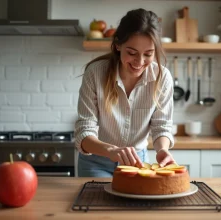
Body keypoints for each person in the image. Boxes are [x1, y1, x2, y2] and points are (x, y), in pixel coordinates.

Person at [74, 8, 176, 177]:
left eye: (148, 54)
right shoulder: (95, 73)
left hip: (138, 162)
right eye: (132, 53)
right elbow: (84, 130)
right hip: (96, 162)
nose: (140, 62)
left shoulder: (162, 78)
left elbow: (162, 126)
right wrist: (111, 150)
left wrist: (162, 150)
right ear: (118, 45)